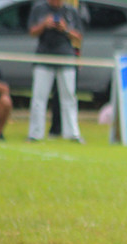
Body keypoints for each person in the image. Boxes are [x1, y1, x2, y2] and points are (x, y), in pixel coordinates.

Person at [27, 0, 84, 143]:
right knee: (39, 97)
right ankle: (35, 134)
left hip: (66, 57)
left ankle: (72, 134)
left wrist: (64, 29)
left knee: (69, 96)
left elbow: (78, 36)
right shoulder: (39, 9)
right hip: (44, 56)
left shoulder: (71, 12)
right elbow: (32, 32)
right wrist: (44, 25)